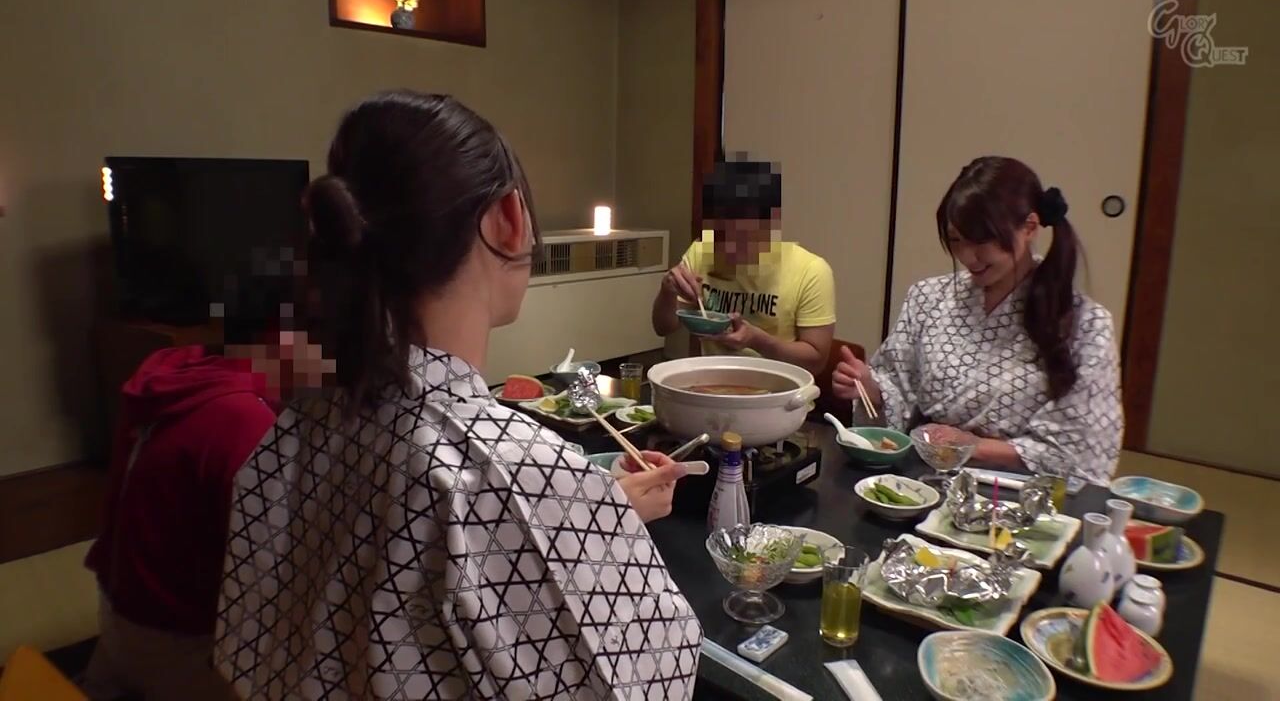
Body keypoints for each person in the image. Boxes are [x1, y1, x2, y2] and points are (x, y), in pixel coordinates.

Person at [214, 91, 703, 700]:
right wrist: (578, 517)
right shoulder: (503, 467)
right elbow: (650, 681)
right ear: (508, 219)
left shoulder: (298, 424)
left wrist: (585, 512)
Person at [80, 258, 330, 701]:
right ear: (282, 335)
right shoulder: (243, 421)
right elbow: (279, 577)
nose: (335, 357)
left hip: (120, 619)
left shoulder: (180, 372)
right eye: (327, 338)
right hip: (175, 644)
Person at [833, 156, 1122, 486]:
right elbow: (896, 391)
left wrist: (972, 446)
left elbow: (1082, 451)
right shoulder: (927, 297)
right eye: (956, 240)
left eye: (982, 240)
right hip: (922, 480)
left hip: (1018, 491)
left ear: (1029, 227)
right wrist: (870, 388)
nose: (968, 257)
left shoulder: (1086, 324)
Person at [651, 157, 835, 375]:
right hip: (710, 382)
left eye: (741, 237)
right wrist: (667, 291)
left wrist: (759, 341)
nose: (727, 247)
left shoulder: (811, 270)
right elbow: (663, 327)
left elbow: (816, 361)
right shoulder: (701, 252)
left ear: (770, 223)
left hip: (779, 390)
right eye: (720, 235)